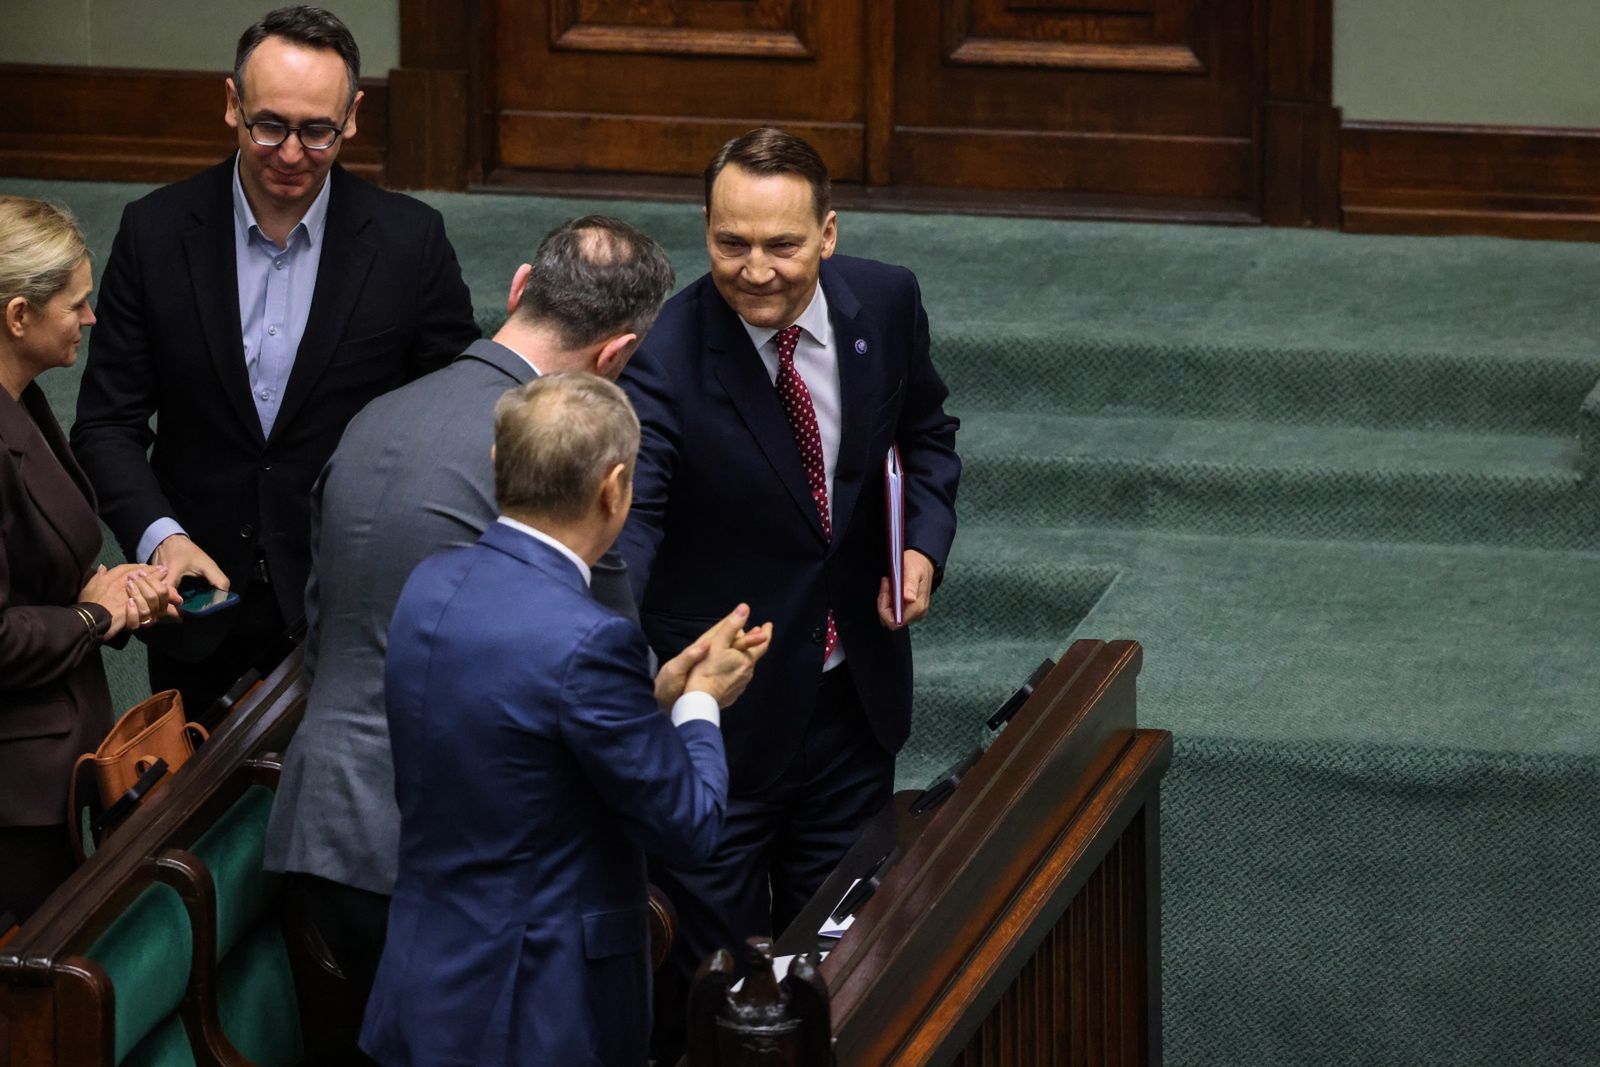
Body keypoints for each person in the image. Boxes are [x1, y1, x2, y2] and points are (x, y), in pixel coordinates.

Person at [262, 215, 675, 1057]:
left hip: (314, 830)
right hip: (457, 872)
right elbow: (610, 677)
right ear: (616, 356)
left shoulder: (377, 414)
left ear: (521, 285)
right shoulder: (553, 458)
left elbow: (322, 621)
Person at [615, 127, 962, 1036]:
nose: (756, 268)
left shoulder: (884, 304)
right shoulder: (664, 356)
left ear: (830, 233)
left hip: (853, 707)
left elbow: (925, 434)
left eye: (783, 244)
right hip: (721, 730)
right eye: (732, 243)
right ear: (706, 230)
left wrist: (922, 541)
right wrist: (632, 668)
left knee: (840, 971)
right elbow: (634, 527)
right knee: (717, 993)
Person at [70, 5, 479, 717]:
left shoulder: (411, 242)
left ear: (352, 116)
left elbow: (459, 413)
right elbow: (106, 423)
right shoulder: (154, 231)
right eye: (270, 125)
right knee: (187, 823)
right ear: (231, 104)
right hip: (196, 602)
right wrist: (162, 538)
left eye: (317, 131)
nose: (291, 153)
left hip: (354, 598)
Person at [360, 373, 770, 1066]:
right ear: (613, 489)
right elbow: (692, 825)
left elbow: (524, 742)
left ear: (498, 464)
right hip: (535, 1014)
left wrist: (656, 699)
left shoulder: (430, 583)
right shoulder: (591, 642)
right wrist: (701, 701)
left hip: (423, 984)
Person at [0, 197, 177, 924]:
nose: (91, 317)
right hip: (12, 795)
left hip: (52, 762)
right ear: (17, 316)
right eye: (76, 303)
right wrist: (91, 612)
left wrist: (112, 591)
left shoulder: (25, 401)